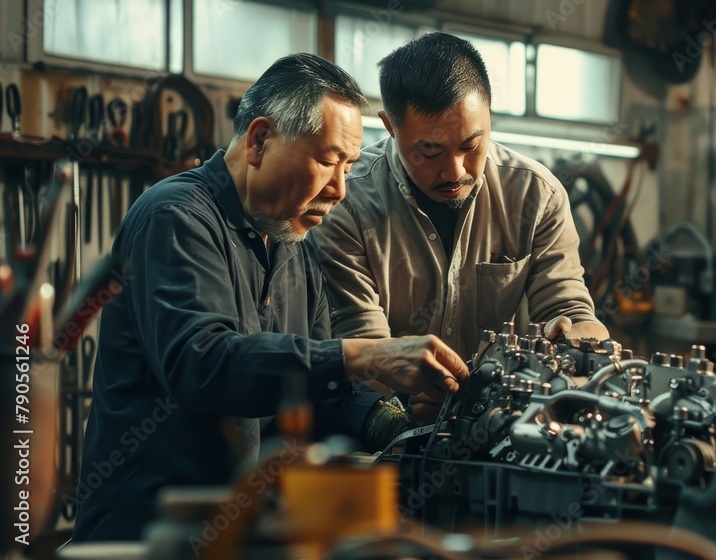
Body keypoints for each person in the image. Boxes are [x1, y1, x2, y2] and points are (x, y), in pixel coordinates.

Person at [71, 53, 468, 542]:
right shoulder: (174, 218)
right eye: (328, 161)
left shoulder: (290, 244)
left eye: (348, 167)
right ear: (259, 140)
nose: (341, 190)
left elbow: (321, 390)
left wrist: (403, 431)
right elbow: (202, 363)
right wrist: (362, 354)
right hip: (147, 537)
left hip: (239, 535)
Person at [310, 33, 609, 375]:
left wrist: (581, 335)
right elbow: (361, 339)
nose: (455, 172)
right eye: (430, 152)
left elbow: (565, 305)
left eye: (470, 146)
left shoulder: (536, 196)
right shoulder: (345, 201)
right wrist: (400, 403)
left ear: (489, 117)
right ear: (390, 127)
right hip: (377, 411)